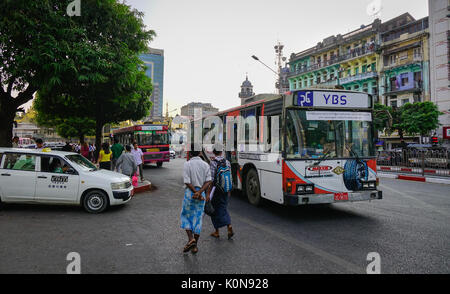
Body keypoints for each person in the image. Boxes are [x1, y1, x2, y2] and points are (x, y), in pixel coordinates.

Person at [180, 145, 212, 254]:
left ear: (190, 153)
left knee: (186, 216)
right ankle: (195, 246)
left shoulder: (187, 164)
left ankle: (190, 239)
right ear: (200, 153)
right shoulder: (205, 165)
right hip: (201, 194)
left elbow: (187, 181)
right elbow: (208, 181)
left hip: (190, 193)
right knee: (198, 219)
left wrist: (195, 192)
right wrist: (200, 192)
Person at [207, 145, 234, 240]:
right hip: (225, 189)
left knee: (214, 210)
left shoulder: (213, 163)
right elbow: (230, 176)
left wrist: (208, 193)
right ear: (221, 152)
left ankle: (218, 230)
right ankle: (227, 226)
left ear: (214, 152)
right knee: (223, 207)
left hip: (216, 190)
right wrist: (229, 189)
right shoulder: (227, 162)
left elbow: (211, 180)